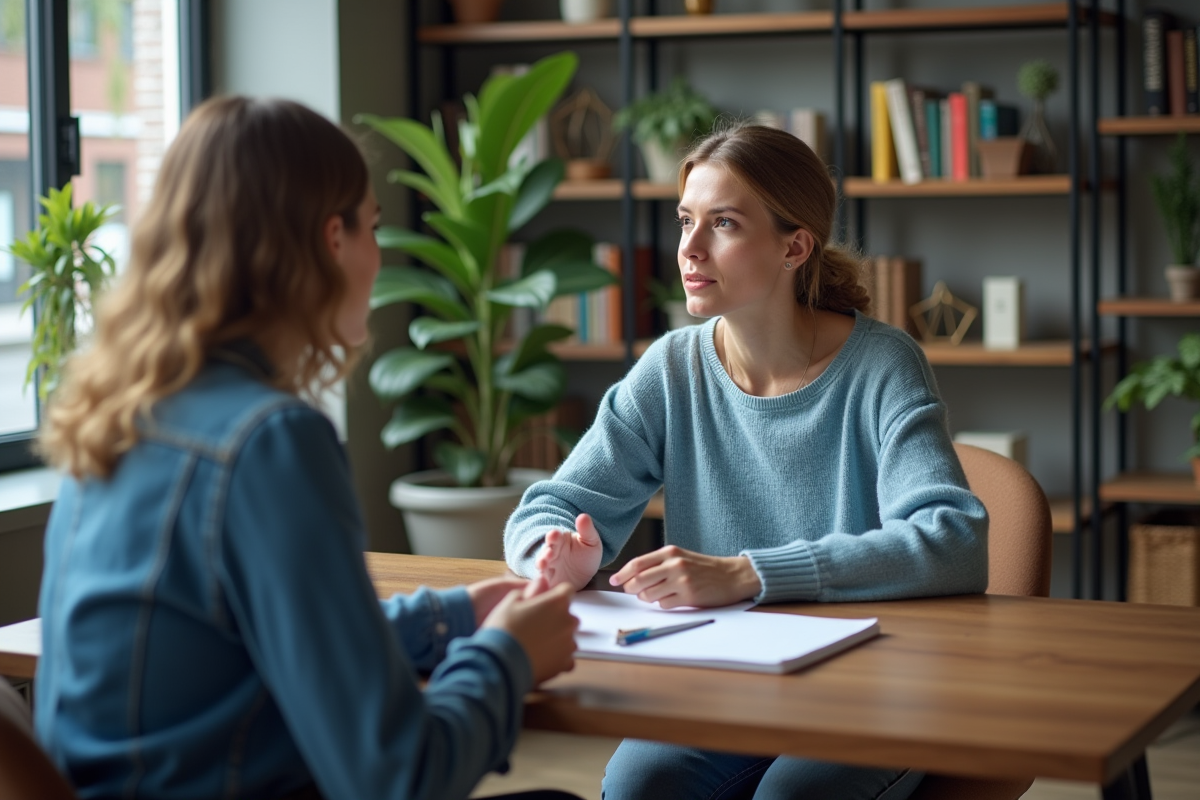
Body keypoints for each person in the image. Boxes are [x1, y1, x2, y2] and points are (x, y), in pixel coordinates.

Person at [35, 96, 582, 800]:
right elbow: (397, 776)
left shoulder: (115, 411)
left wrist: (452, 618)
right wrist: (508, 655)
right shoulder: (271, 441)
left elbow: (251, 647)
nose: (379, 256)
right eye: (373, 227)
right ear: (332, 239)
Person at [503, 124, 989, 800]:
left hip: (872, 684)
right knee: (640, 784)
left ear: (795, 246)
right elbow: (547, 507)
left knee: (795, 796)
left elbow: (954, 540)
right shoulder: (672, 367)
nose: (689, 250)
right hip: (721, 683)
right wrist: (554, 557)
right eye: (685, 221)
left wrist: (749, 574)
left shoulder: (882, 365)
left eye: (723, 224)